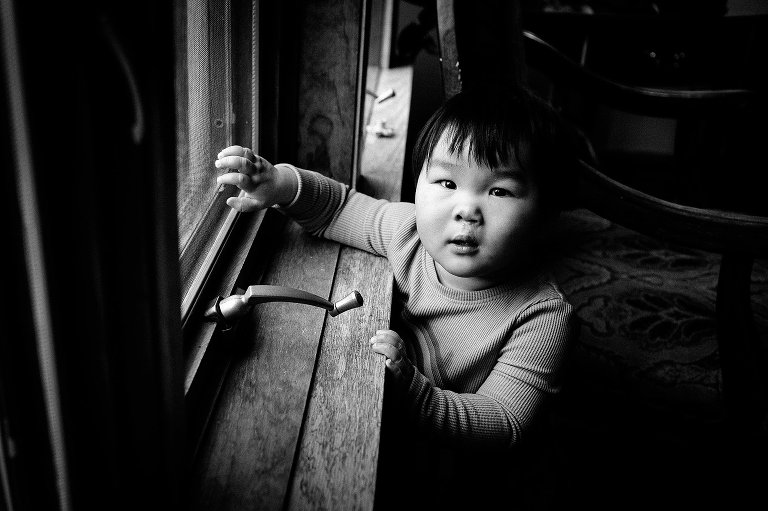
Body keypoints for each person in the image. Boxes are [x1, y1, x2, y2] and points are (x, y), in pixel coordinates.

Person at [214, 85, 578, 507]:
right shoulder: (408, 233)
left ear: (547, 216)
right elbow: (338, 208)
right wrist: (279, 183)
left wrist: (414, 389)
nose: (466, 209)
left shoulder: (543, 317)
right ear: (418, 181)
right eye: (446, 181)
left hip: (457, 476)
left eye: (498, 191)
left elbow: (504, 421)